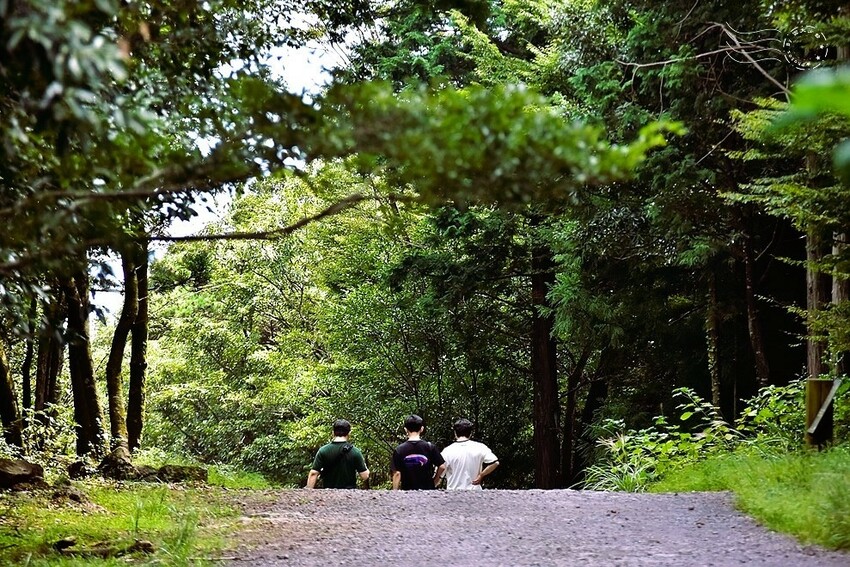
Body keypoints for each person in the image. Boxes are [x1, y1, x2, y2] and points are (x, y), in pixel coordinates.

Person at [306, 419, 369, 489]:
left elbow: (314, 474)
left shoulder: (323, 450)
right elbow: (365, 476)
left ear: (333, 433)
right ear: (349, 433)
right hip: (349, 494)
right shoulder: (355, 452)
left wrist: (308, 493)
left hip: (328, 493)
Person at [440, 418, 499, 490]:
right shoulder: (480, 447)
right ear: (470, 433)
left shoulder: (447, 451)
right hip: (475, 493)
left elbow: (441, 470)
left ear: (455, 433)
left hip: (454, 493)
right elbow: (495, 462)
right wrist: (481, 475)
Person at [391, 414, 445, 490]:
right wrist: (435, 481)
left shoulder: (399, 450)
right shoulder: (430, 447)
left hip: (407, 493)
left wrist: (395, 494)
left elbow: (397, 473)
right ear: (422, 429)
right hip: (428, 492)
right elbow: (442, 466)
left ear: (405, 429)